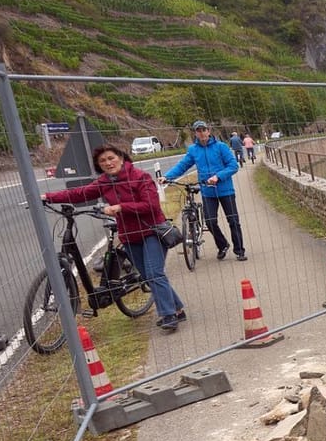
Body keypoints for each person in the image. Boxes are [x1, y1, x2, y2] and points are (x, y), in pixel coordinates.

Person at [42, 144, 189, 331]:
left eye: (111, 158)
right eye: (102, 161)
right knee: (147, 275)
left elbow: (151, 205)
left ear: (121, 157)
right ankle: (177, 309)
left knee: (154, 273)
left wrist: (121, 207)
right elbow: (80, 193)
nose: (108, 163)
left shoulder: (140, 177)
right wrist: (48, 196)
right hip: (129, 236)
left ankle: (168, 315)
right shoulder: (104, 182)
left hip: (152, 231)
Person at [164, 120, 247, 261]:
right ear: (195, 133)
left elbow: (233, 165)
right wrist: (167, 176)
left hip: (225, 190)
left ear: (209, 131)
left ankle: (239, 250)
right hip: (207, 191)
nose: (201, 133)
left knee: (233, 220)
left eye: (204, 130)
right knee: (210, 221)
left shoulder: (221, 147)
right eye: (198, 131)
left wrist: (218, 177)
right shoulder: (193, 150)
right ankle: (223, 245)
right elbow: (183, 165)